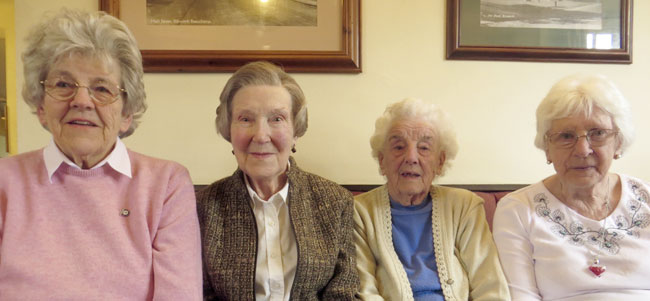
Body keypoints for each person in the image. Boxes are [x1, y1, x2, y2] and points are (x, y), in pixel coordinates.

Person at [0, 9, 202, 299]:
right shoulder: (5, 182)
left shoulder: (166, 184)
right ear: (41, 106)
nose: (82, 100)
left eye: (102, 88)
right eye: (63, 85)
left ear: (126, 114)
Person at [197, 61, 359, 300]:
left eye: (277, 119)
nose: (261, 135)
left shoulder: (334, 202)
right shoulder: (203, 207)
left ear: (296, 131)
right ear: (228, 131)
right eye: (245, 119)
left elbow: (342, 292)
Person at [493, 74, 650, 300]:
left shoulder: (646, 199)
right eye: (566, 136)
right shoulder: (518, 210)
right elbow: (522, 296)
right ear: (547, 148)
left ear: (618, 141)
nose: (582, 149)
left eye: (597, 133)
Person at [354, 98, 510, 300]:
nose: (411, 157)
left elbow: (490, 285)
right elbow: (365, 291)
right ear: (382, 160)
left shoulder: (465, 206)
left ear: (440, 161)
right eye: (399, 147)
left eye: (424, 148)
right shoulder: (358, 212)